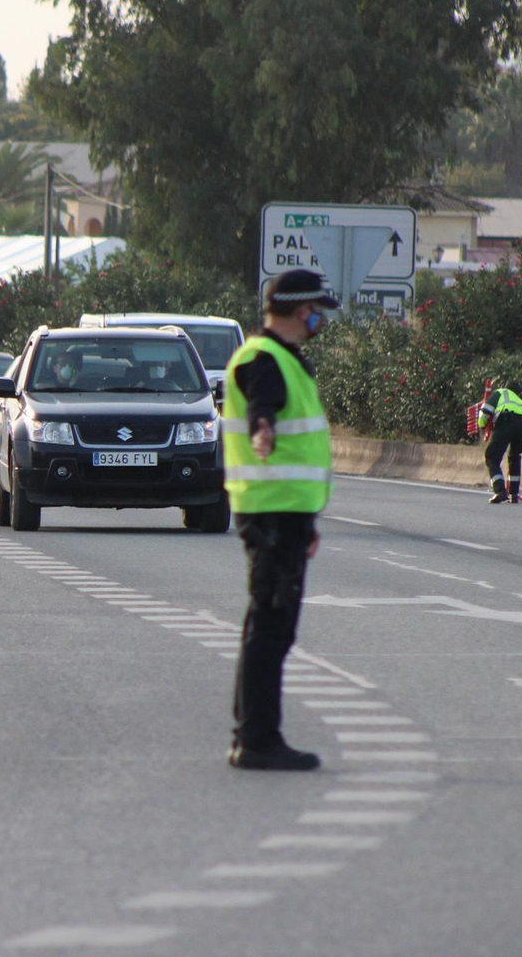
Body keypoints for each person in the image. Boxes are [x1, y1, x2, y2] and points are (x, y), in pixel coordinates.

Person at [221, 269, 337, 772]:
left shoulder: (283, 357)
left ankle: (249, 730)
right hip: (271, 510)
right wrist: (261, 430)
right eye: (317, 310)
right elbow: (261, 408)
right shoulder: (264, 359)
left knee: (267, 623)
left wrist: (307, 522)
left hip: (284, 512)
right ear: (297, 309)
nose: (320, 319)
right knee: (271, 626)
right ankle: (258, 740)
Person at [479, 381, 522, 504]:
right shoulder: (520, 402)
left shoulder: (500, 393)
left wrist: (482, 425)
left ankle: (500, 491)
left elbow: (486, 411)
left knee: (492, 457)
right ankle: (514, 494)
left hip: (506, 423)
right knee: (514, 457)